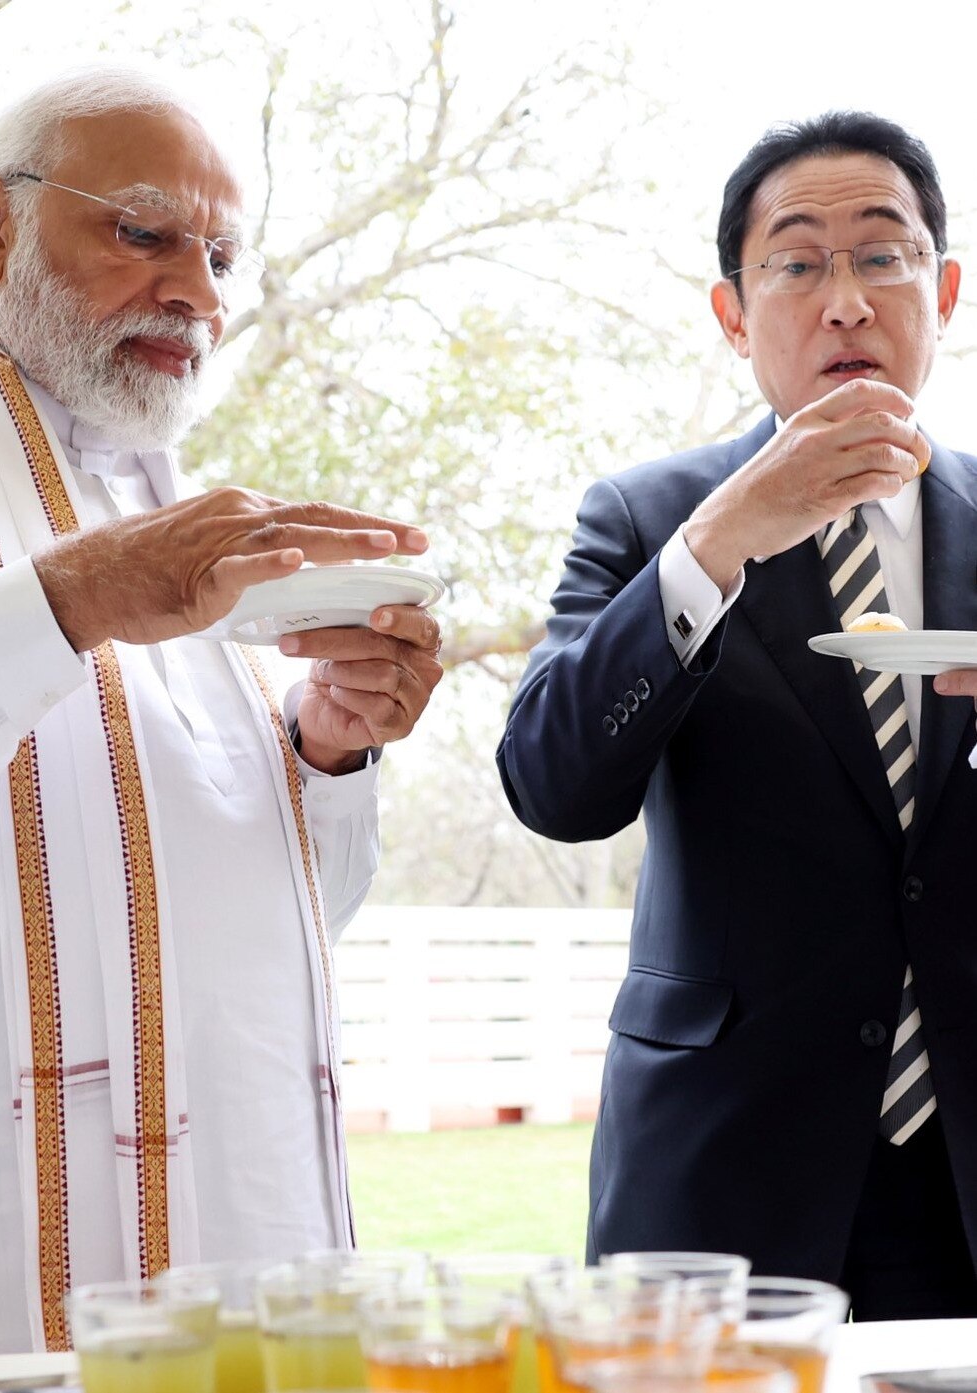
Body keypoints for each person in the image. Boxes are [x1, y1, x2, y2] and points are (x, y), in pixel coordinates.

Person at [0, 69, 442, 1355]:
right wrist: (79, 596)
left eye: (220, 256)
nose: (198, 294)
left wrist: (332, 745)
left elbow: (285, 917)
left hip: (241, 1227)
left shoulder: (173, 506)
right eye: (143, 232)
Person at [497, 111, 977, 1320]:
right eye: (798, 261)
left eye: (885, 254)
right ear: (732, 312)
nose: (848, 300)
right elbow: (553, 785)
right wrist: (715, 545)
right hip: (730, 1174)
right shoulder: (646, 513)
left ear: (947, 290)